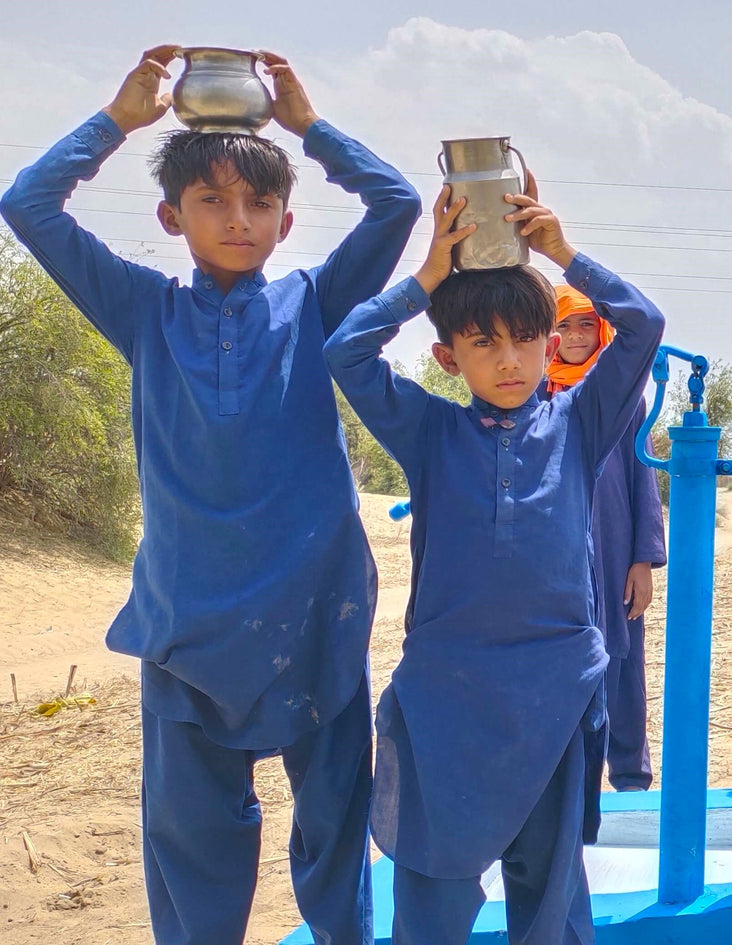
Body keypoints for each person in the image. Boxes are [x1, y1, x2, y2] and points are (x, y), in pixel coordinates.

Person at [1, 46, 421, 945]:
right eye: (213, 202)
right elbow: (26, 204)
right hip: (187, 631)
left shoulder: (316, 303)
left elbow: (398, 203)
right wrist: (118, 120)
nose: (239, 220)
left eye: (260, 203)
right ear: (172, 214)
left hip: (318, 618)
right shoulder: (144, 309)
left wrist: (307, 126)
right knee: (195, 854)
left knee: (336, 842)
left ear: (285, 216)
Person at [324, 179, 665, 944]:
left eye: (524, 339)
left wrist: (561, 253)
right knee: (431, 899)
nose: (508, 360)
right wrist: (428, 277)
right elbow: (344, 351)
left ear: (551, 342)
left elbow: (643, 325)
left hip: (554, 689)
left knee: (550, 907)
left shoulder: (582, 423)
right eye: (483, 343)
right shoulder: (430, 433)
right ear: (449, 357)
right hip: (446, 697)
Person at [544, 286, 665, 791]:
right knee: (561, 660)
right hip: (555, 550)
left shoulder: (623, 398)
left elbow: (643, 480)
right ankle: (568, 782)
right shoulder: (534, 395)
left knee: (623, 656)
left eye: (585, 326)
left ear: (603, 332)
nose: (575, 337)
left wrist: (642, 560)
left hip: (615, 548)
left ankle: (631, 775)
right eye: (565, 326)